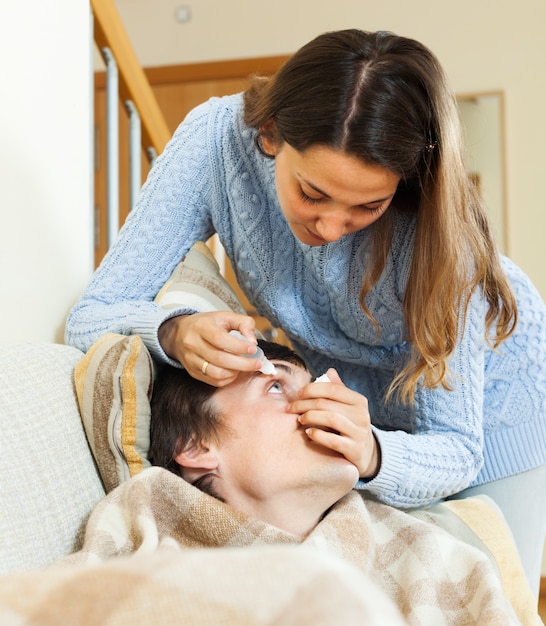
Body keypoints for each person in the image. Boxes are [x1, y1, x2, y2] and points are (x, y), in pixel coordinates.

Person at [65, 29, 546, 593]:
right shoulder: (217, 144)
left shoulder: (444, 238)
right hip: (349, 403)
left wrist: (372, 451)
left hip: (494, 398)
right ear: (270, 135)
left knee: (490, 584)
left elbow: (458, 449)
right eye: (312, 194)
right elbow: (91, 314)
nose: (331, 229)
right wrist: (171, 332)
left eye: (369, 205)